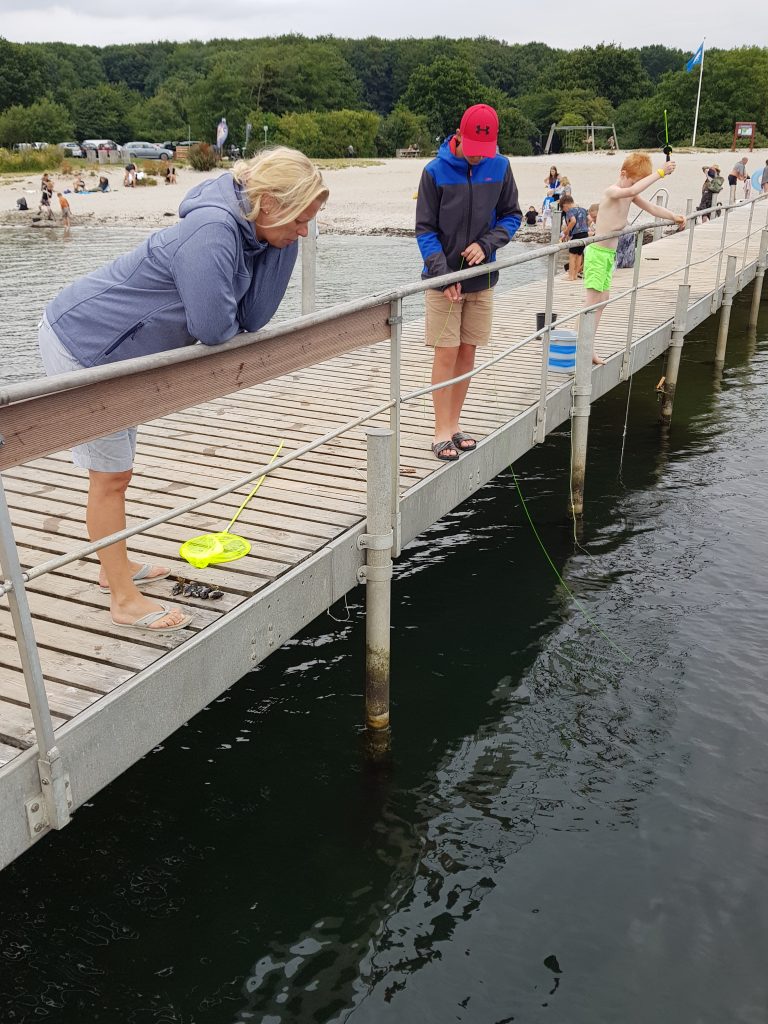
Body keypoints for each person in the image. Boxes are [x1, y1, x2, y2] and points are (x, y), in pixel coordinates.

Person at [38, 146, 328, 633]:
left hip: (120, 357)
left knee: (115, 474)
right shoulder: (213, 230)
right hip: (86, 344)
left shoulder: (255, 228)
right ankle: (124, 598)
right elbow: (215, 328)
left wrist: (283, 244)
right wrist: (280, 242)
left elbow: (252, 318)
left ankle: (117, 568)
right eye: (301, 220)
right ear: (270, 203)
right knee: (110, 476)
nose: (304, 232)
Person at [416, 103, 521, 461]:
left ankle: (456, 424)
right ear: (458, 136)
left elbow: (512, 217)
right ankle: (440, 430)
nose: (478, 159)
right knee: (445, 352)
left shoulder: (501, 166)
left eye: (484, 153)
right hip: (442, 279)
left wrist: (487, 244)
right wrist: (443, 274)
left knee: (468, 350)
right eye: (473, 153)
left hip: (482, 277)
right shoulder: (434, 171)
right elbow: (425, 230)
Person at [583, 152, 685, 364]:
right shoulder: (612, 191)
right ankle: (581, 349)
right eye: (636, 180)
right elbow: (632, 189)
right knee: (591, 304)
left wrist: (673, 217)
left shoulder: (630, 193)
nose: (638, 186)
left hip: (609, 255)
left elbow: (652, 207)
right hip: (597, 254)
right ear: (623, 173)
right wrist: (660, 173)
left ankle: (586, 346)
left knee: (602, 301)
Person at [560, 196, 589, 280]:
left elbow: (573, 221)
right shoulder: (583, 209)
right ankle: (575, 275)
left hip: (576, 235)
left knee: (572, 255)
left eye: (563, 209)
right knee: (579, 255)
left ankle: (570, 276)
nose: (564, 211)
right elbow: (589, 220)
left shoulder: (570, 211)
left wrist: (566, 231)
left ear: (565, 205)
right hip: (585, 234)